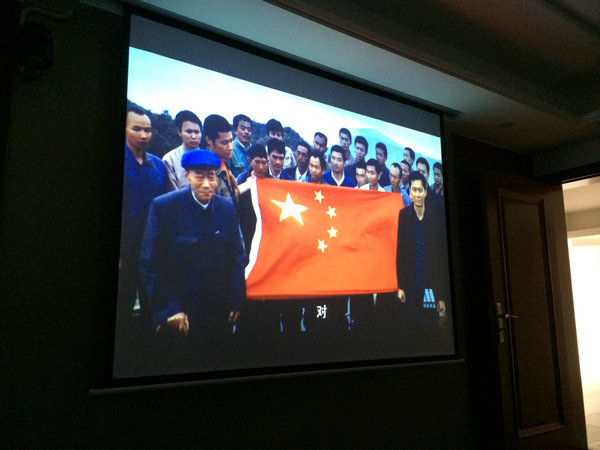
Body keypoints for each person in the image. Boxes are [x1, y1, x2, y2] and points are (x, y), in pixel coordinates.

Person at [139, 149, 246, 371]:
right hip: (182, 313)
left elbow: (236, 257)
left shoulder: (226, 209)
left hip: (218, 311)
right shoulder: (164, 207)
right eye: (199, 176)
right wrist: (169, 308)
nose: (207, 184)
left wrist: (236, 299)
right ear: (187, 176)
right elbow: (151, 263)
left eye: (211, 177)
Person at [115, 107, 171, 373]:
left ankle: (149, 364)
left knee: (152, 308)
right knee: (122, 310)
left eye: (147, 130)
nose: (143, 134)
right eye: (136, 128)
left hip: (152, 254)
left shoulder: (158, 166)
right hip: (124, 254)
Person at [396, 171, 448, 349]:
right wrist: (400, 286)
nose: (417, 194)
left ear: (426, 192)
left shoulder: (435, 220)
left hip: (429, 287)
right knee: (411, 329)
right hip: (410, 285)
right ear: (410, 192)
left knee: (429, 329)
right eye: (414, 190)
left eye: (420, 190)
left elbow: (439, 260)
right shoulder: (403, 216)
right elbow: (400, 252)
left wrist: (441, 296)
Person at [200, 114, 239, 209]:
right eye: (224, 143)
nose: (230, 147)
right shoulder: (204, 173)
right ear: (209, 140)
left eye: (231, 141)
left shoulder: (224, 163)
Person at [162, 110, 202, 190]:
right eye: (189, 132)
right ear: (179, 132)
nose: (194, 136)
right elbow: (172, 191)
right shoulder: (170, 159)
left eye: (197, 132)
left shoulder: (208, 157)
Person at [230, 113, 253, 178]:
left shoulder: (254, 149)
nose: (246, 132)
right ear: (235, 131)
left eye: (249, 129)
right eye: (243, 129)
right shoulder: (230, 150)